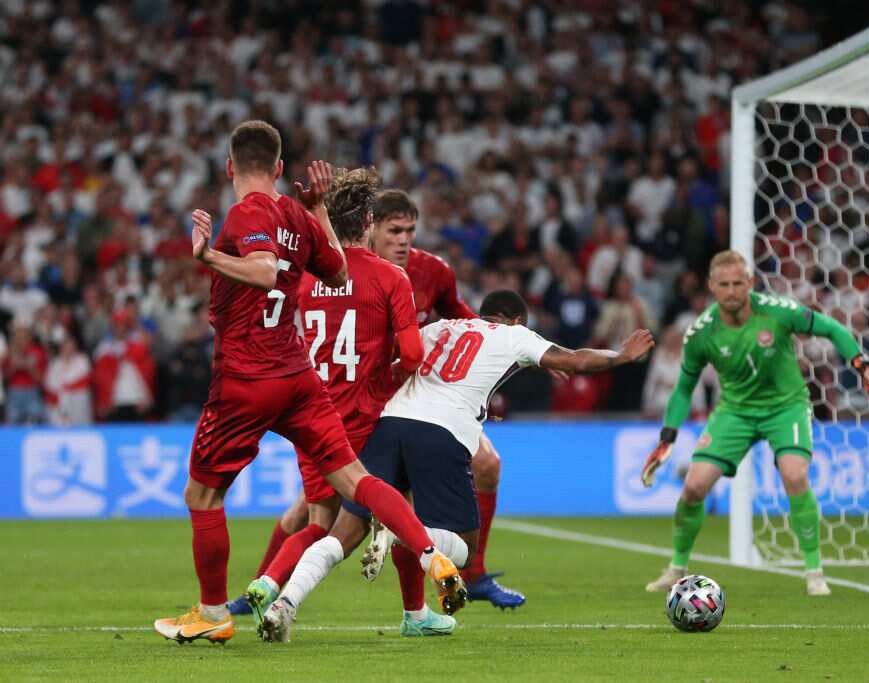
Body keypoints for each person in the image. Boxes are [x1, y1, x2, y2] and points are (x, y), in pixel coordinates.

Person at [153, 121, 462, 645]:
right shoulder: (297, 214)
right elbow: (340, 273)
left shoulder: (252, 211)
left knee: (203, 497)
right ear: (278, 168)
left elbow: (265, 270)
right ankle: (432, 557)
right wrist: (318, 209)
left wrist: (208, 257)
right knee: (356, 482)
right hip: (298, 378)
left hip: (248, 376)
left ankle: (212, 613)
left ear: (231, 167)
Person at [257, 289, 655, 641]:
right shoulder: (515, 335)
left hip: (389, 425)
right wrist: (622, 356)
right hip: (442, 434)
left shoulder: (441, 328)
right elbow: (576, 362)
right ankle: (400, 534)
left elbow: (395, 364)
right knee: (464, 546)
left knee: (341, 534)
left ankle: (285, 605)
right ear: (517, 320)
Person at [235, 189, 531, 612]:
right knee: (341, 511)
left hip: (394, 400)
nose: (405, 239)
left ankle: (468, 577)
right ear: (371, 230)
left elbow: (467, 321)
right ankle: (412, 606)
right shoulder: (375, 275)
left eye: (411, 230)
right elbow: (409, 352)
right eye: (395, 230)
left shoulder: (431, 271)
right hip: (373, 404)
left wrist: (519, 350)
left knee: (484, 464)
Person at [640, 250, 869, 597]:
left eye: (738, 283)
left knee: (794, 474)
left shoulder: (778, 312)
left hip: (785, 407)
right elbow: (684, 388)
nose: (732, 291)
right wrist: (667, 438)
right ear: (712, 287)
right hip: (735, 411)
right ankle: (677, 567)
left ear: (750, 283)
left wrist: (862, 365)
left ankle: (814, 572)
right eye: (724, 284)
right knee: (694, 487)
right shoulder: (701, 333)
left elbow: (832, 328)